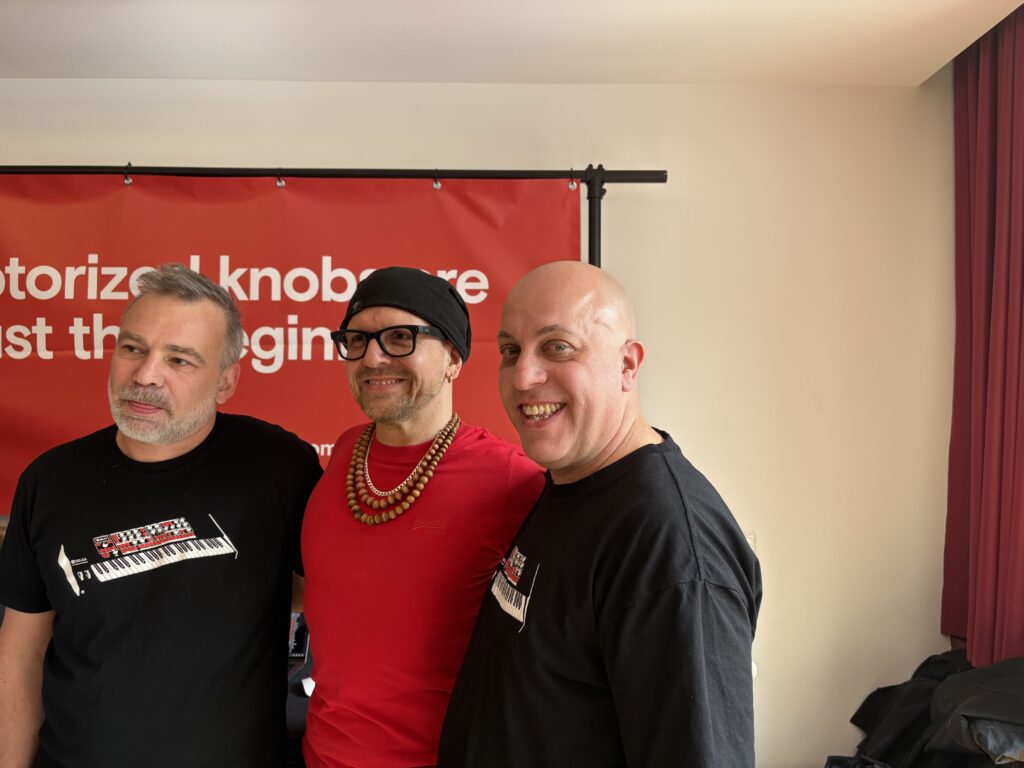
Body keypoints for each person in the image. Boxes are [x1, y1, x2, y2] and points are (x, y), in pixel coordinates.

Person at [438, 260, 763, 767]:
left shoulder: (669, 544)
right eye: (510, 350)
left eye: (557, 347)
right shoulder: (572, 483)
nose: (523, 376)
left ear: (628, 365)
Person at [0, 264, 323, 768]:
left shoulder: (279, 466)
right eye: (133, 348)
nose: (146, 374)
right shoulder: (50, 480)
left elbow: (330, 601)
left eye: (180, 359)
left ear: (225, 381)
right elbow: (19, 652)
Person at [301, 266, 544, 768]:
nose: (372, 357)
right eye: (356, 339)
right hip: (320, 755)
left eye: (399, 338)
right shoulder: (346, 453)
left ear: (453, 357)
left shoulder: (509, 480)